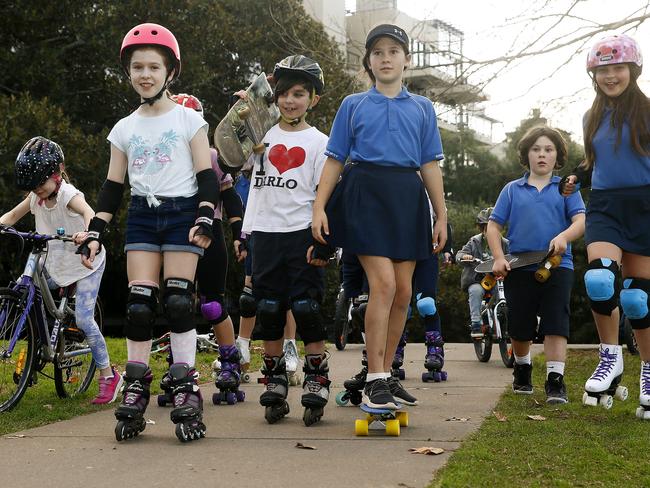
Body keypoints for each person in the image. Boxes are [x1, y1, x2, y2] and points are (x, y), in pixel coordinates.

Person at [76, 23, 218, 442]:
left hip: (182, 212)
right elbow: (112, 185)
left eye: (154, 66)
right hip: (142, 213)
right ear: (129, 72)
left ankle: (186, 385)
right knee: (139, 305)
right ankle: (136, 386)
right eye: (137, 66)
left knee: (177, 302)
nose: (145, 74)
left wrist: (206, 215)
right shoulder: (123, 128)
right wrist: (96, 230)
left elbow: (206, 174)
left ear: (170, 72)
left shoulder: (189, 119)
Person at [312, 24, 447, 410]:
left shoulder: (422, 108)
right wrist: (319, 206)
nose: (385, 58)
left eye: (393, 51)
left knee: (404, 292)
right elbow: (335, 158)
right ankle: (373, 380)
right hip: (364, 195)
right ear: (368, 62)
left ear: (406, 59)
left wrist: (441, 216)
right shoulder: (353, 104)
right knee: (384, 284)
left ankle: (385, 374)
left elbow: (429, 165)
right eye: (377, 53)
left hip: (407, 198)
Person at [561, 34, 650, 416]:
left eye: (617, 69)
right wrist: (577, 178)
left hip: (645, 206)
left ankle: (648, 369)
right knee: (599, 280)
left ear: (632, 70)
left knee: (636, 298)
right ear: (593, 75)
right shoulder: (590, 117)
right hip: (606, 206)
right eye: (603, 70)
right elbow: (597, 161)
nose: (611, 76)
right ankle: (610, 358)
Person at [238, 55, 330, 425]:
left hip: (301, 233)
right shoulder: (260, 134)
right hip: (264, 232)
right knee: (270, 307)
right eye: (283, 94)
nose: (290, 101)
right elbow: (230, 150)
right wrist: (244, 113)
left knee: (306, 307)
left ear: (313, 99)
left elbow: (325, 194)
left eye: (299, 94)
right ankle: (274, 377)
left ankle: (317, 375)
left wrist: (325, 240)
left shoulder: (320, 142)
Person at [2, 136, 122, 405]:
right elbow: (10, 217)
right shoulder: (36, 197)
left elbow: (91, 213)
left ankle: (109, 376)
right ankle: (39, 345)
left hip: (85, 264)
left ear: (57, 173)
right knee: (26, 287)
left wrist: (90, 233)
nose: (37, 190)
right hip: (55, 262)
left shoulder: (68, 194)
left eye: (40, 183)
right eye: (32, 186)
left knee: (82, 319)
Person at [487, 126, 585, 404]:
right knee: (520, 325)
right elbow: (493, 227)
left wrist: (564, 236)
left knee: (556, 321)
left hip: (558, 265)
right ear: (526, 154)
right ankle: (522, 368)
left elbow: (580, 222)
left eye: (548, 149)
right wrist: (498, 257)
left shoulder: (567, 188)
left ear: (558, 156)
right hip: (519, 266)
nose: (542, 155)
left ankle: (555, 381)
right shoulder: (511, 190)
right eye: (536, 149)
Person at [171, 93, 248, 404]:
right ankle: (180, 366)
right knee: (177, 302)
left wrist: (239, 234)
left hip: (210, 230)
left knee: (212, 305)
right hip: (176, 231)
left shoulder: (213, 157)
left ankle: (230, 362)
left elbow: (230, 197)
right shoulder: (165, 158)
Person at [457, 208, 509, 339]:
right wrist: (465, 257)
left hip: (498, 279)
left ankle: (505, 320)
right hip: (477, 280)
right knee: (475, 291)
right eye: (487, 228)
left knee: (505, 293)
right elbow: (460, 254)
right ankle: (476, 323)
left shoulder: (505, 243)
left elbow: (511, 257)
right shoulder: (474, 242)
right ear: (482, 229)